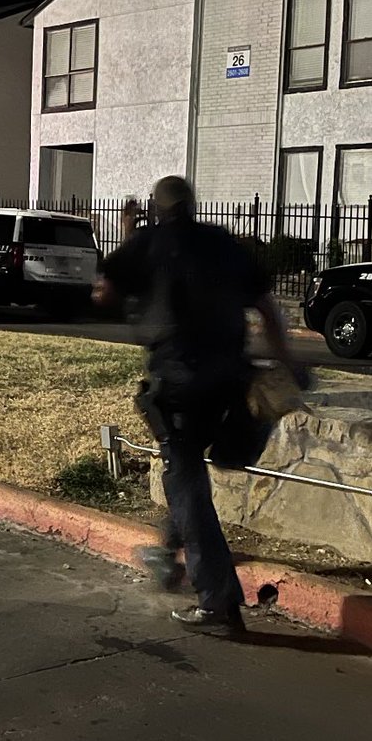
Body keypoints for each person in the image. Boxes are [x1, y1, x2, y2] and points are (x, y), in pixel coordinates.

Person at [93, 176, 303, 632]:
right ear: (192, 204)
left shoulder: (149, 243)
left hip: (180, 381)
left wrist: (127, 235)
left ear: (157, 207)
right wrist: (288, 364)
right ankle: (169, 553)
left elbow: (107, 291)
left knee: (185, 478)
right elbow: (267, 309)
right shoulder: (223, 242)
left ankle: (218, 601)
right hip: (231, 380)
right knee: (192, 473)